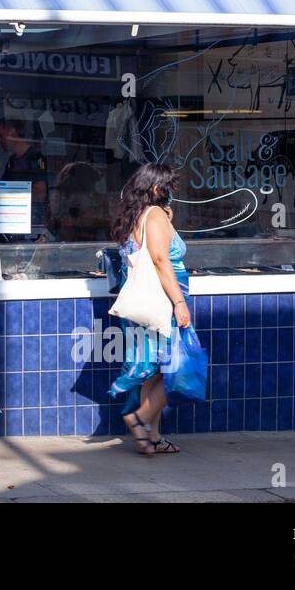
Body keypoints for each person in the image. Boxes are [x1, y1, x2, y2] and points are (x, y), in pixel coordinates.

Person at [107, 162, 192, 456]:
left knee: (154, 370)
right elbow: (159, 259)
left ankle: (152, 437)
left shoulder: (141, 215)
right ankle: (139, 418)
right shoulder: (154, 215)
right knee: (174, 368)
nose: (172, 194)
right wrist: (179, 304)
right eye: (169, 188)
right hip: (163, 301)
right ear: (157, 189)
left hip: (148, 302)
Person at [0, 116, 51, 240]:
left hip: (31, 223)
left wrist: (13, 194)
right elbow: (1, 190)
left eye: (1, 135)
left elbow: (40, 193)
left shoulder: (35, 157)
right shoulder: (12, 161)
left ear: (12, 133)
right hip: (12, 222)